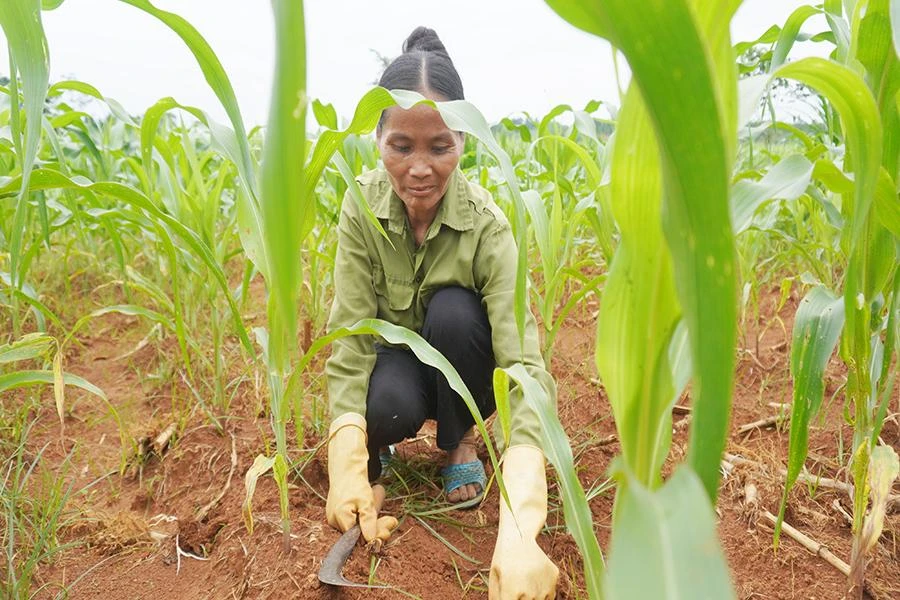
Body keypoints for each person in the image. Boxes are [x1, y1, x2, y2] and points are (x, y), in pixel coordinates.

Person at [324, 26, 559, 599]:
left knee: (455, 313)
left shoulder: (486, 223)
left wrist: (524, 520)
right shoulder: (360, 211)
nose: (420, 168)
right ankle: (382, 443)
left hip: (463, 370)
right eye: (400, 146)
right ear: (377, 139)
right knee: (383, 406)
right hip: (397, 368)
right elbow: (352, 338)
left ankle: (460, 445)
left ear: (463, 140)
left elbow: (521, 359)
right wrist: (347, 452)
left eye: (439, 147)